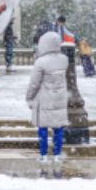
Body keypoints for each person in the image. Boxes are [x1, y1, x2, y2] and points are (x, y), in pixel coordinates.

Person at [26, 31, 70, 166]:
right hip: (60, 99)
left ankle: (43, 155)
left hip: (45, 99)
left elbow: (34, 84)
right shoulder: (64, 59)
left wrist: (29, 97)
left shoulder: (40, 62)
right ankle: (57, 154)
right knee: (58, 129)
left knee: (43, 128)